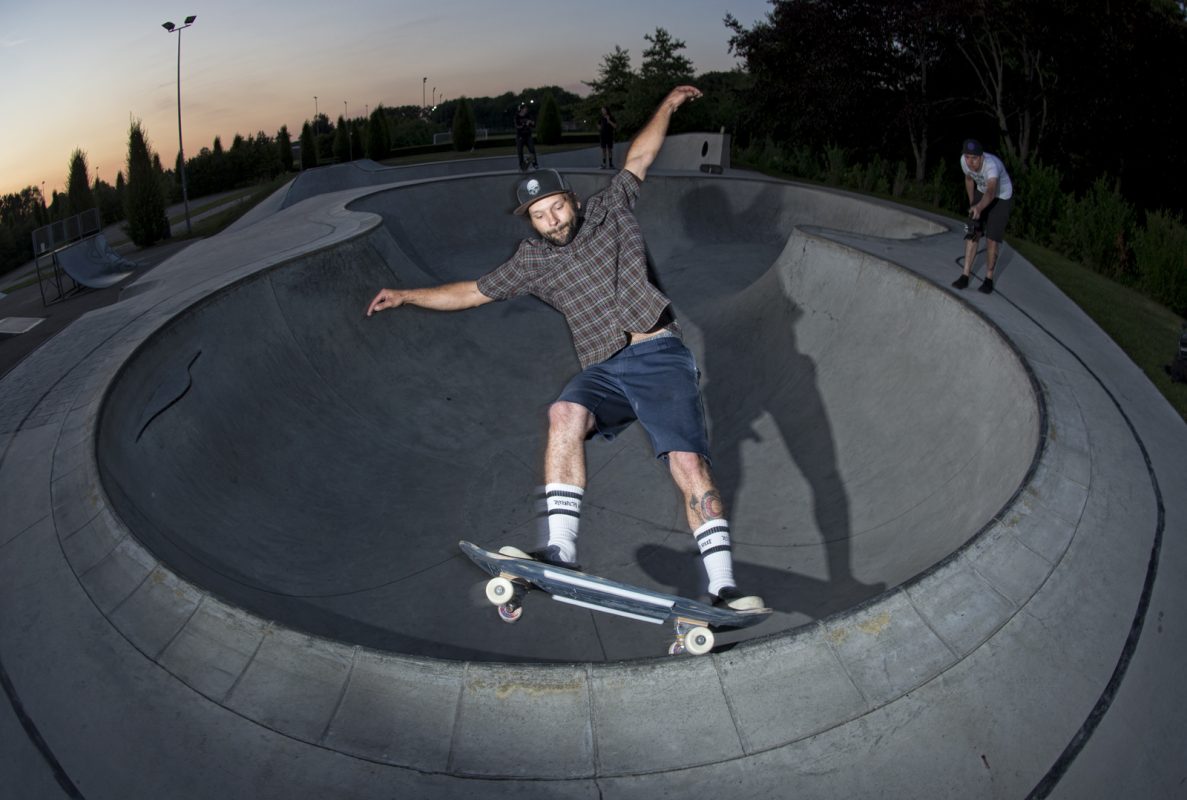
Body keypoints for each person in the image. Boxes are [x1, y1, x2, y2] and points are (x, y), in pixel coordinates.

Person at [366, 86, 765, 612]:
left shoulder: (610, 209)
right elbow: (471, 292)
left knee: (687, 463)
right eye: (540, 215)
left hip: (658, 355)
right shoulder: (530, 261)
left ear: (573, 200)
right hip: (604, 369)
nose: (553, 220)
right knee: (563, 412)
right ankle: (560, 551)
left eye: (557, 207)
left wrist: (666, 106)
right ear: (530, 221)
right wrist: (406, 296)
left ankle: (723, 588)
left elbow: (639, 158)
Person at [952, 138, 1014, 294]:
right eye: (967, 157)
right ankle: (965, 275)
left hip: (1001, 197)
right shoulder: (964, 161)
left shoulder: (992, 166)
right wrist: (973, 203)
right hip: (981, 192)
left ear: (981, 157)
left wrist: (979, 207)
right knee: (972, 231)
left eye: (974, 158)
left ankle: (988, 279)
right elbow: (968, 179)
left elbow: (991, 192)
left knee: (992, 239)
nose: (970, 162)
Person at [514, 102, 538, 171]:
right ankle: (521, 165)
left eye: (526, 108)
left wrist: (532, 123)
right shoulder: (517, 117)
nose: (526, 109)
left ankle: (535, 164)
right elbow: (517, 127)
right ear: (521, 109)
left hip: (528, 136)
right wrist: (525, 124)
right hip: (520, 136)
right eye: (525, 108)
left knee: (532, 150)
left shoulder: (528, 116)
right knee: (520, 152)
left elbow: (533, 125)